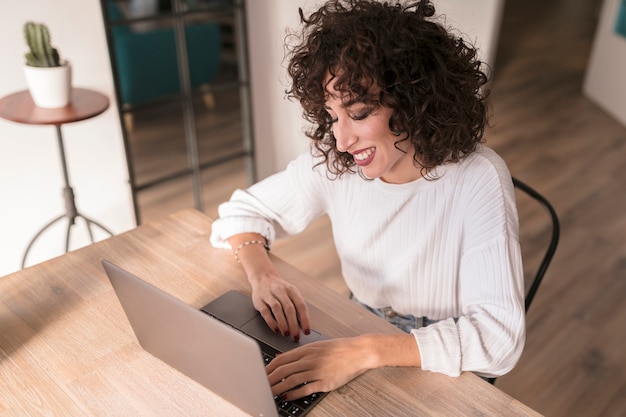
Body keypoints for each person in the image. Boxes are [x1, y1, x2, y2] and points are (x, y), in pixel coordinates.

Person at [210, 0, 525, 400]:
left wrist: (365, 350)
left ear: (414, 102)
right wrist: (262, 275)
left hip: (439, 354)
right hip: (356, 321)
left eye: (358, 113)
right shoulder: (338, 161)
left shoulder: (478, 178)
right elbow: (241, 212)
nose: (342, 139)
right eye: (332, 115)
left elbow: (500, 340)